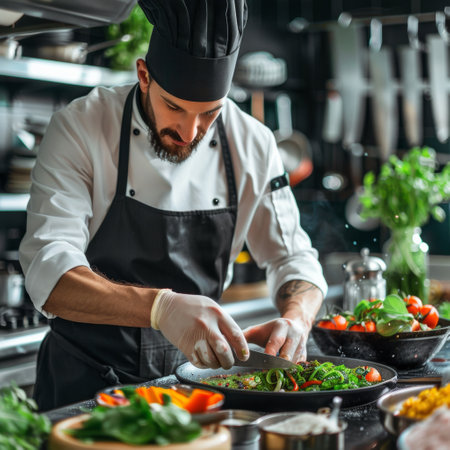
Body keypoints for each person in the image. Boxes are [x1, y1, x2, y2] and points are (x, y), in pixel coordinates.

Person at [19, 0, 327, 412]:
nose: (189, 131)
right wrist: (161, 307)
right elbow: (49, 273)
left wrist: (296, 320)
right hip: (84, 385)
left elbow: (294, 259)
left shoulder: (253, 142)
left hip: (194, 391)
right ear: (144, 75)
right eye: (175, 107)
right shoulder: (82, 126)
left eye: (209, 114)